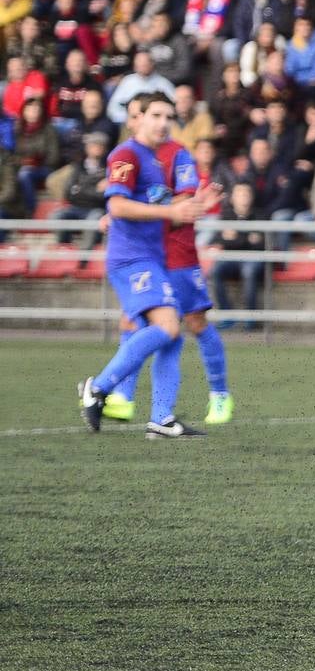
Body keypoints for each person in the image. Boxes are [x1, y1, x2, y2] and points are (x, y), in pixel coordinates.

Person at [77, 94, 216, 439]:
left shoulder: (155, 162)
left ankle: (162, 417)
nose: (163, 122)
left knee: (172, 336)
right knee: (168, 327)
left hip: (151, 258)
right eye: (155, 114)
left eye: (168, 116)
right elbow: (120, 205)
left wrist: (193, 207)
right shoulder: (126, 154)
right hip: (131, 259)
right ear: (137, 119)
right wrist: (171, 211)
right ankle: (99, 388)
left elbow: (154, 211)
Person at [101, 95, 236, 426]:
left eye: (165, 116)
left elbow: (185, 202)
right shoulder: (132, 155)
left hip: (176, 251)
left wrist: (140, 211)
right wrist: (116, 215)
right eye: (146, 115)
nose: (156, 122)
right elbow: (125, 200)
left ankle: (219, 394)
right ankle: (123, 397)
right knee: (133, 321)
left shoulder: (178, 154)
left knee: (193, 323)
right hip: (144, 252)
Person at [213, 183, 268, 329]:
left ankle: (250, 318)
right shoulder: (225, 215)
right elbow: (219, 240)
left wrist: (235, 237)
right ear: (232, 198)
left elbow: (262, 244)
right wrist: (247, 238)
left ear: (251, 197)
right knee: (215, 271)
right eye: (239, 194)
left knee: (248, 271)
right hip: (231, 257)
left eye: (246, 194)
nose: (243, 198)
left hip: (252, 258)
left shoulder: (260, 215)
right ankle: (227, 316)